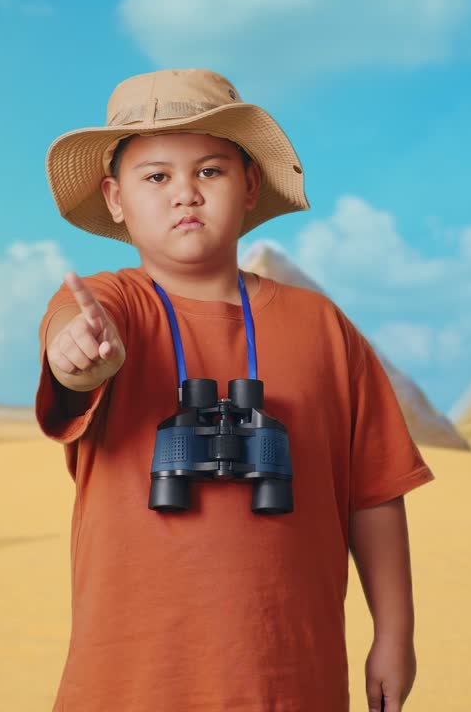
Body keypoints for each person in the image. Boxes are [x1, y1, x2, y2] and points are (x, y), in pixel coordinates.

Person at [35, 68, 434, 712]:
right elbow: (71, 351)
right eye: (156, 176)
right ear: (115, 198)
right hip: (131, 683)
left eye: (211, 172)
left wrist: (395, 633)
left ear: (250, 186)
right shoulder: (112, 306)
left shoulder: (322, 327)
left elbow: (375, 494)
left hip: (288, 676)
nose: (185, 194)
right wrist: (78, 355)